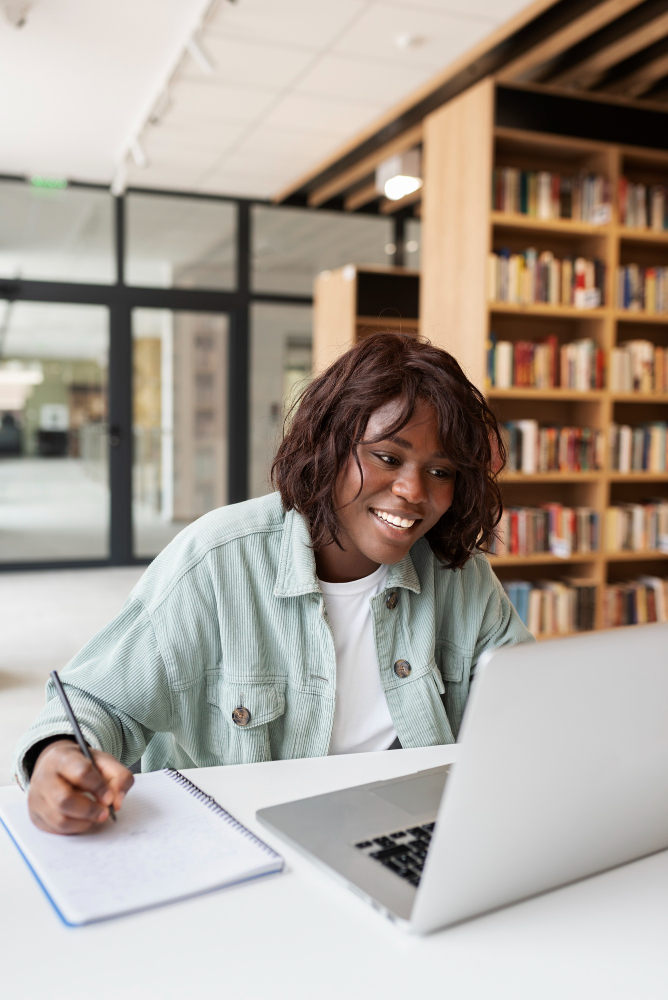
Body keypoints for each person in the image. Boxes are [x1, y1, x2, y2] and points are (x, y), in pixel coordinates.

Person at [13, 332, 533, 834]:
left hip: (406, 831)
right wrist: (56, 758)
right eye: (388, 458)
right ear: (329, 445)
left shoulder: (459, 574)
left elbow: (532, 703)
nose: (413, 491)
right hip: (241, 843)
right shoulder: (216, 562)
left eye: (440, 472)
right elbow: (97, 703)